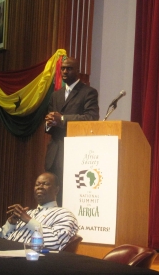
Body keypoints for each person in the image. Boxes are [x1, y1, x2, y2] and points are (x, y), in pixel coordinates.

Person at [44, 56, 99, 205]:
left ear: (78, 71)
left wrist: (62, 119)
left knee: (70, 197)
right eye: (63, 68)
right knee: (52, 198)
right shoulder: (56, 95)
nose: (65, 71)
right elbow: (49, 125)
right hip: (54, 153)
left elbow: (91, 118)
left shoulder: (88, 92)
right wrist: (49, 123)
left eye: (69, 68)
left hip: (75, 153)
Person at [0, 172, 78, 250]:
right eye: (37, 184)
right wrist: (11, 224)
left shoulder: (64, 214)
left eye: (45, 184)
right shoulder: (28, 213)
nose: (40, 187)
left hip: (34, 261)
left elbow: (55, 242)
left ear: (56, 190)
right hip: (6, 254)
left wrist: (29, 220)